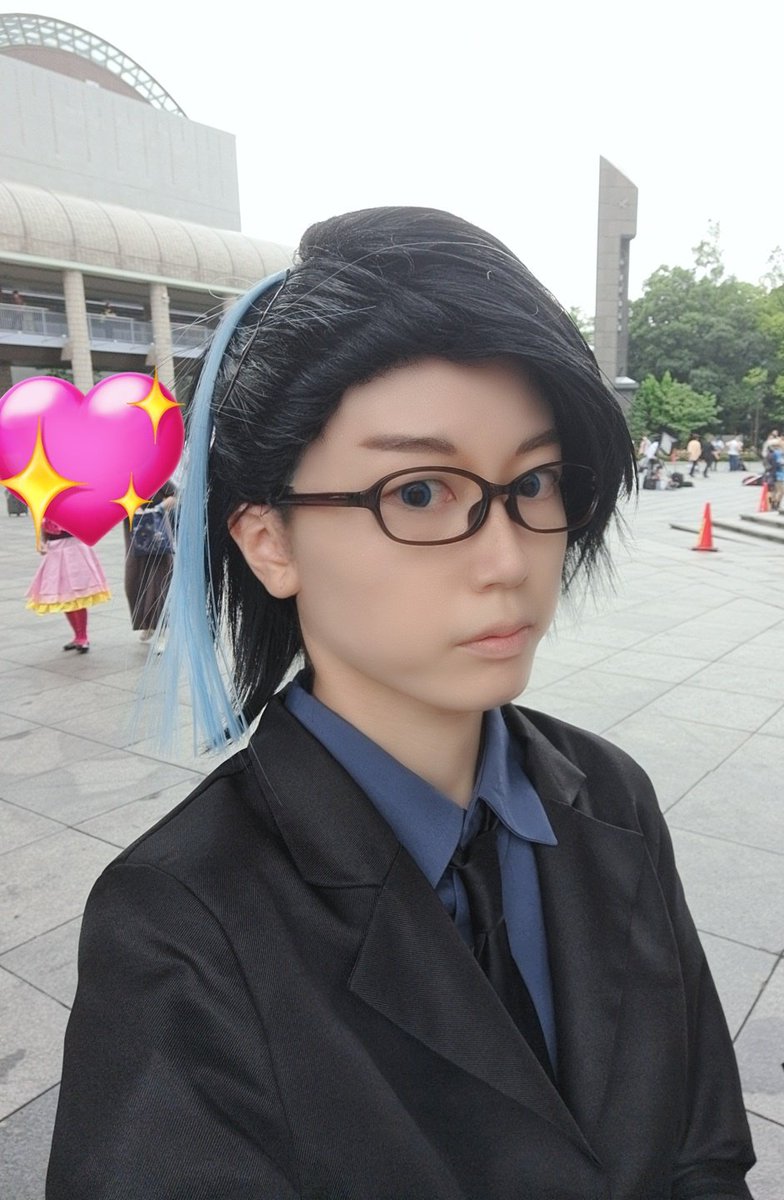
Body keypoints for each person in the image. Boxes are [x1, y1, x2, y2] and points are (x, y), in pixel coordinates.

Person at [47, 207, 755, 1200]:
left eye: (536, 482)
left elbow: (702, 1154)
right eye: (419, 492)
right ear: (268, 541)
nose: (508, 559)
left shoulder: (607, 794)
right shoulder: (182, 922)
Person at [25, 516, 110, 652]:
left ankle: (83, 637)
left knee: (77, 595)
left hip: (74, 548)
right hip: (54, 550)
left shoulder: (72, 504)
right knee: (64, 595)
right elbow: (43, 524)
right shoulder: (45, 506)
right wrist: (42, 542)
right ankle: (77, 636)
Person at [123, 481, 177, 644]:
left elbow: (174, 495)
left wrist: (159, 508)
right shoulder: (120, 478)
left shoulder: (157, 474)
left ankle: (160, 631)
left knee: (159, 581)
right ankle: (147, 624)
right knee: (134, 580)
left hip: (157, 530)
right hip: (135, 532)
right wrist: (132, 508)